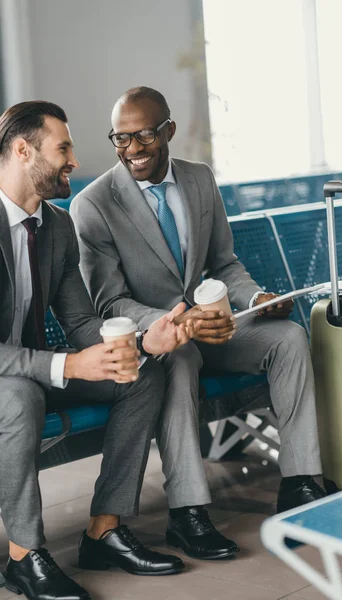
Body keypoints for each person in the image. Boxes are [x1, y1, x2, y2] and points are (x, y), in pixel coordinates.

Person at [70, 86, 326, 559]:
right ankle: (187, 513)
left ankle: (300, 484)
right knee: (180, 357)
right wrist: (174, 324)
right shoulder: (94, 205)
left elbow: (224, 264)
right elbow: (110, 303)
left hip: (216, 327)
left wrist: (257, 297)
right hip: (161, 338)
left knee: (288, 338)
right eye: (120, 139)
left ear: (167, 130)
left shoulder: (199, 180)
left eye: (144, 134)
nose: (133, 149)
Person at [0, 100, 200, 600]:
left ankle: (103, 531)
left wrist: (139, 343)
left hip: (31, 371)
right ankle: (24, 557)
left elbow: (82, 322)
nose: (74, 160)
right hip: (15, 385)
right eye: (62, 147)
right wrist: (67, 363)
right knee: (20, 397)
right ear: (23, 151)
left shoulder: (58, 227)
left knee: (139, 374)